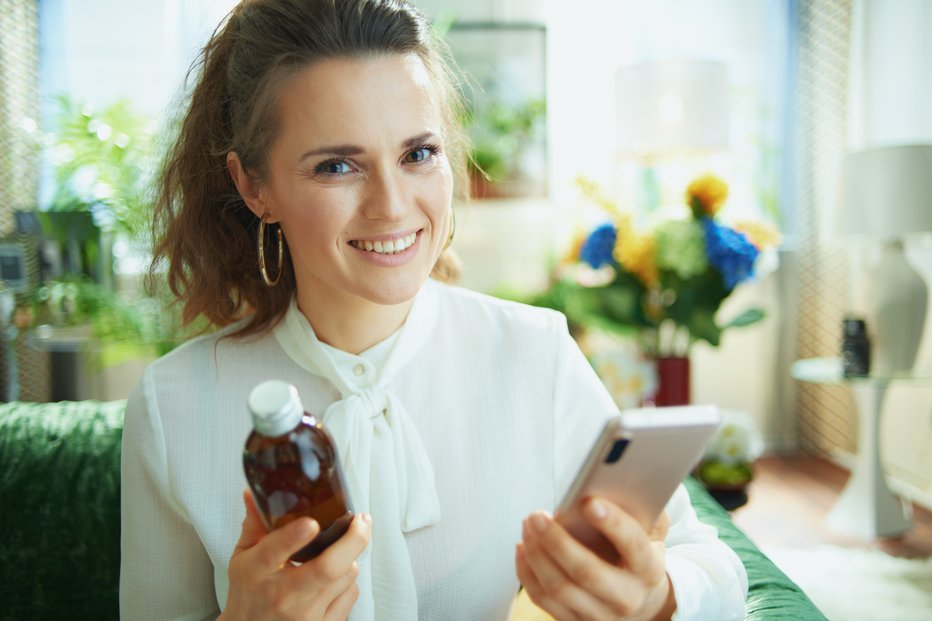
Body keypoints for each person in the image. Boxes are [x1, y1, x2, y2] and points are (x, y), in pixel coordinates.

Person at [119, 0, 749, 619]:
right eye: (337, 166)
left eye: (418, 154)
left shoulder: (535, 352)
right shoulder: (173, 405)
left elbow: (710, 563)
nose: (392, 206)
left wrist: (657, 596)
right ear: (254, 187)